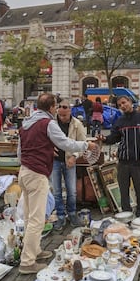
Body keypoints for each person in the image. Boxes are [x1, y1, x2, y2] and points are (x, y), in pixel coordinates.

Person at [17, 93, 97, 274]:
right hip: (37, 174)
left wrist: (36, 157)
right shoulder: (48, 123)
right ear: (52, 107)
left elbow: (20, 153)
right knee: (37, 219)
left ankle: (35, 251)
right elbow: (65, 143)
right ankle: (27, 262)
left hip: (25, 171)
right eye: (56, 106)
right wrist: (85, 145)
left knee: (30, 217)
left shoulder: (26, 123)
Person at [99, 95, 140, 218]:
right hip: (123, 163)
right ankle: (126, 216)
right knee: (123, 192)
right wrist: (104, 139)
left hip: (139, 162)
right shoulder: (120, 121)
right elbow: (113, 138)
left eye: (124, 103)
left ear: (130, 102)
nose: (122, 106)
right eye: (120, 105)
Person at [51, 97, 87, 231]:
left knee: (72, 191)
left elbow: (83, 143)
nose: (62, 117)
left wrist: (74, 156)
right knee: (56, 191)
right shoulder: (52, 123)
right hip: (54, 161)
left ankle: (72, 214)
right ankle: (60, 216)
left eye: (65, 115)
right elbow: (45, 139)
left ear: (70, 111)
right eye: (60, 115)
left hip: (69, 160)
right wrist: (49, 149)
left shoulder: (77, 124)